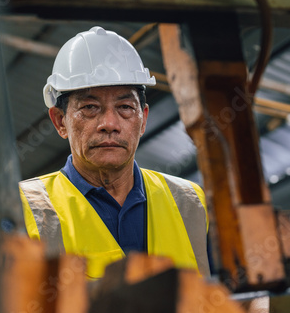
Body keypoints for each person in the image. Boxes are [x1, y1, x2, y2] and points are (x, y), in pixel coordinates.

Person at [19, 26, 210, 280]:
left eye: (125, 107)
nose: (110, 123)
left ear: (143, 120)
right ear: (60, 121)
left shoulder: (191, 202)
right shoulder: (20, 210)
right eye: (90, 107)